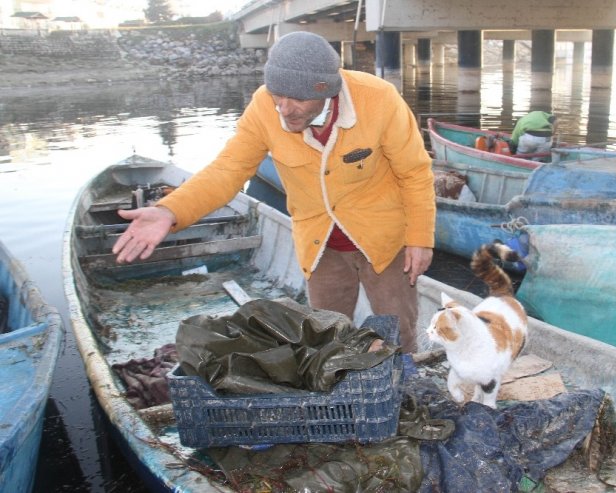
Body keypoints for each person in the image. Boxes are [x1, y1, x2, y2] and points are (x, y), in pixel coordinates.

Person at [111, 31, 435, 353]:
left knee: (399, 331)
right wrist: (170, 210)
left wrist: (420, 238)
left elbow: (414, 173)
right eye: (278, 94)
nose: (284, 108)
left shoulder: (379, 98)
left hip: (385, 241)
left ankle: (404, 384)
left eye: (297, 98)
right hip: (321, 246)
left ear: (326, 91)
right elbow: (227, 170)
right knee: (326, 339)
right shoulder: (264, 107)